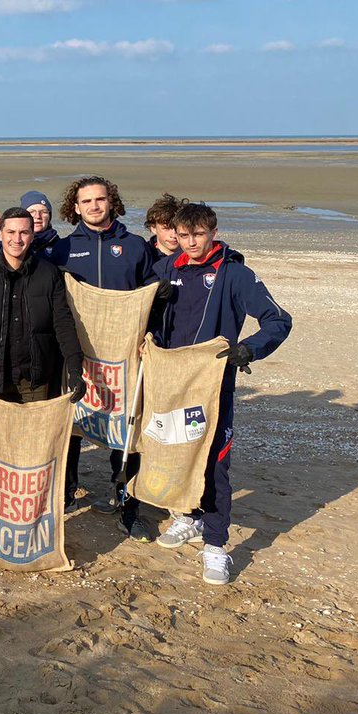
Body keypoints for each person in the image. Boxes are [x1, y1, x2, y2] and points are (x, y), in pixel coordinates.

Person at [151, 203, 291, 584]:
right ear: (174, 236)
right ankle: (188, 517)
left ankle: (215, 546)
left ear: (212, 232)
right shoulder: (165, 269)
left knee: (215, 462)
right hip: (170, 382)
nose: (191, 243)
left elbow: (278, 319)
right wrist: (153, 300)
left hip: (213, 384)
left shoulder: (234, 273)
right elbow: (137, 317)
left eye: (199, 235)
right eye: (184, 236)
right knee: (176, 450)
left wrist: (249, 348)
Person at [47, 176, 164, 539]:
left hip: (123, 354)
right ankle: (65, 492)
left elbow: (153, 296)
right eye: (87, 201)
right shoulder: (63, 250)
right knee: (72, 427)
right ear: (75, 208)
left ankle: (127, 501)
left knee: (125, 427)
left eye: (101, 199)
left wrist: (152, 338)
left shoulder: (134, 247)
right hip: (78, 353)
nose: (94, 206)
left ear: (111, 202)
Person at [0, 205, 86, 415]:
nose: (17, 239)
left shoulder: (49, 274)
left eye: (24, 232)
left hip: (34, 379)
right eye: (11, 232)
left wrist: (76, 370)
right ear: (0, 234)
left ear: (32, 235)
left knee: (31, 442)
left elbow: (63, 323)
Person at [145, 192, 186, 265]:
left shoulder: (193, 254)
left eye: (178, 229)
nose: (173, 235)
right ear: (153, 228)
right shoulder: (144, 254)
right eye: (166, 228)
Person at [20, 190, 60, 258]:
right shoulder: (15, 243)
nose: (38, 216)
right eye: (32, 212)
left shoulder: (60, 245)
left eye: (44, 212)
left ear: (49, 217)